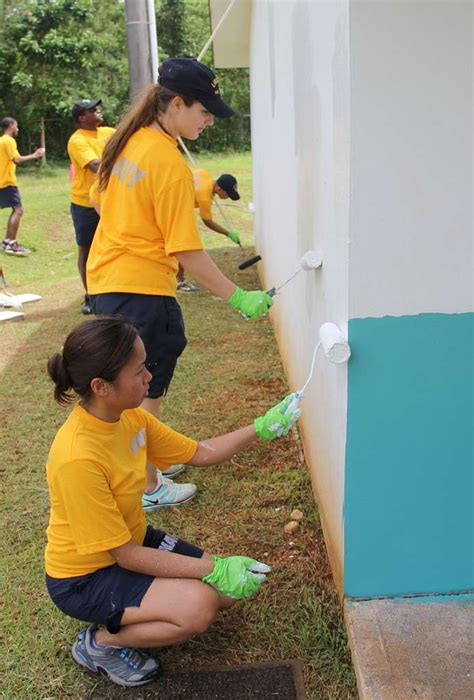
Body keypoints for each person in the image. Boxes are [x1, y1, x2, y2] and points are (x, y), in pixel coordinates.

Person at [45, 316, 300, 687]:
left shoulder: (129, 417)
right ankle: (100, 643)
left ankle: (134, 612)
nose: (149, 377)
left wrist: (262, 426)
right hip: (86, 578)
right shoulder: (77, 458)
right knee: (200, 606)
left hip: (133, 541)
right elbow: (125, 557)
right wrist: (212, 568)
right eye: (138, 371)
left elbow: (201, 452)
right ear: (101, 386)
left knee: (224, 595)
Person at [86, 58, 274, 511]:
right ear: (175, 103)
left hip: (108, 281)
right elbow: (187, 252)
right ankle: (149, 486)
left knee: (133, 382)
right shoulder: (168, 162)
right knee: (142, 386)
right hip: (144, 289)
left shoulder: (128, 143)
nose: (208, 120)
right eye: (204, 110)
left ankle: (149, 461)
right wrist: (239, 297)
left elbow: (98, 203)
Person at [67, 99, 115, 314]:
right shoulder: (77, 140)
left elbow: (131, 136)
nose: (98, 111)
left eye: (97, 108)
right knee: (86, 248)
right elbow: (95, 166)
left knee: (112, 246)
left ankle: (110, 289)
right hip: (85, 203)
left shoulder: (106, 132)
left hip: (109, 201)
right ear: (81, 118)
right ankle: (90, 295)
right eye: (92, 110)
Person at [177, 170, 241, 292]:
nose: (228, 197)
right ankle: (178, 281)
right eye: (228, 194)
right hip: (176, 205)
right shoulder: (205, 197)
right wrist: (228, 233)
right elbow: (208, 222)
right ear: (219, 189)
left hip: (176, 193)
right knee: (182, 243)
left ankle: (178, 279)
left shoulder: (205, 173)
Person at [0, 117, 44, 256]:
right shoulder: (8, 140)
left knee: (16, 209)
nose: (18, 129)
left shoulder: (2, 141)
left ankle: (7, 242)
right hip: (6, 182)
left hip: (2, 181)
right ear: (11, 125)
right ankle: (10, 243)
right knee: (18, 210)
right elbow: (17, 159)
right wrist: (35, 155)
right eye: (16, 126)